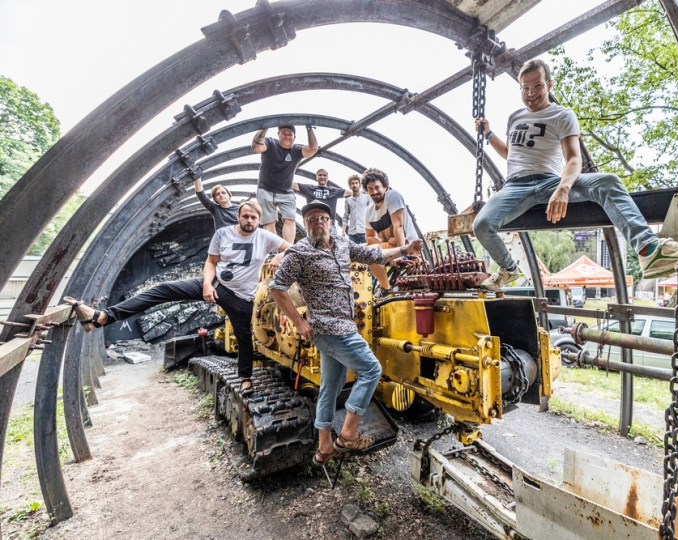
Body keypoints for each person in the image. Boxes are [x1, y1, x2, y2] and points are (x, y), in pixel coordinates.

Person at [472, 59, 678, 291]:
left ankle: (649, 248)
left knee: (607, 181)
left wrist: (563, 188)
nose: (530, 94)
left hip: (550, 182)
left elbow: (573, 158)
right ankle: (508, 269)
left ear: (548, 84)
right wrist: (488, 135)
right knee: (481, 225)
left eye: (537, 86)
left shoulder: (562, 115)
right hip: (514, 186)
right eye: (524, 88)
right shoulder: (515, 117)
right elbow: (511, 154)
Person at [65, 201, 290, 396]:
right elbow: (211, 262)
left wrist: (280, 253)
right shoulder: (223, 234)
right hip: (217, 284)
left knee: (244, 338)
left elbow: (293, 248)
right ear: (238, 216)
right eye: (245, 216)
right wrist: (206, 285)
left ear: (259, 220)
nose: (249, 220)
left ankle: (245, 379)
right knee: (163, 289)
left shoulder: (265, 236)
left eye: (253, 217)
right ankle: (102, 316)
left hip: (242, 298)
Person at [268, 200, 423, 466]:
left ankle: (325, 446)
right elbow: (276, 288)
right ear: (305, 224)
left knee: (330, 388)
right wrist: (299, 322)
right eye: (312, 219)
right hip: (329, 328)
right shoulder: (299, 252)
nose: (318, 222)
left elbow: (373, 255)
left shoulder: (341, 244)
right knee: (372, 370)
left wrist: (403, 249)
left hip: (345, 324)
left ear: (330, 221)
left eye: (322, 218)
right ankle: (349, 433)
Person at [252, 125, 319, 243]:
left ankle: (287, 250)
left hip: (286, 191)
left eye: (290, 134)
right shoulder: (270, 143)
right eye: (284, 133)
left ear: (294, 137)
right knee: (269, 222)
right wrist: (264, 128)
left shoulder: (296, 150)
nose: (287, 136)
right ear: (278, 134)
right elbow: (256, 147)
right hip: (265, 189)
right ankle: (274, 249)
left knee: (290, 219)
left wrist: (309, 129)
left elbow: (313, 149)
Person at [362, 168, 420, 295]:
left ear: (385, 187)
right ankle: (385, 287)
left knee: (370, 251)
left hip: (407, 245)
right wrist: (386, 242)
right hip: (391, 244)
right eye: (370, 189)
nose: (374, 192)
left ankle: (385, 289)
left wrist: (401, 253)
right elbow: (370, 237)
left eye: (377, 187)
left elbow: (398, 226)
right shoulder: (368, 211)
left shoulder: (392, 196)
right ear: (366, 191)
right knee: (362, 249)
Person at [293, 168, 351, 235]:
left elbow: (350, 193)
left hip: (329, 225)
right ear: (316, 177)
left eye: (324, 175)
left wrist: (362, 192)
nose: (322, 177)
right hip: (313, 223)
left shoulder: (334, 191)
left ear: (327, 177)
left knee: (331, 244)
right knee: (313, 244)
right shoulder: (310, 188)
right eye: (320, 175)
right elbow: (293, 185)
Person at [343, 174, 372, 244]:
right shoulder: (348, 200)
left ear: (359, 184)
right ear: (350, 186)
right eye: (352, 183)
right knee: (353, 254)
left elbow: (372, 213)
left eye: (356, 183)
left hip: (364, 231)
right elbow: (346, 216)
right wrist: (343, 230)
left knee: (367, 252)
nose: (354, 185)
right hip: (352, 233)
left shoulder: (367, 198)